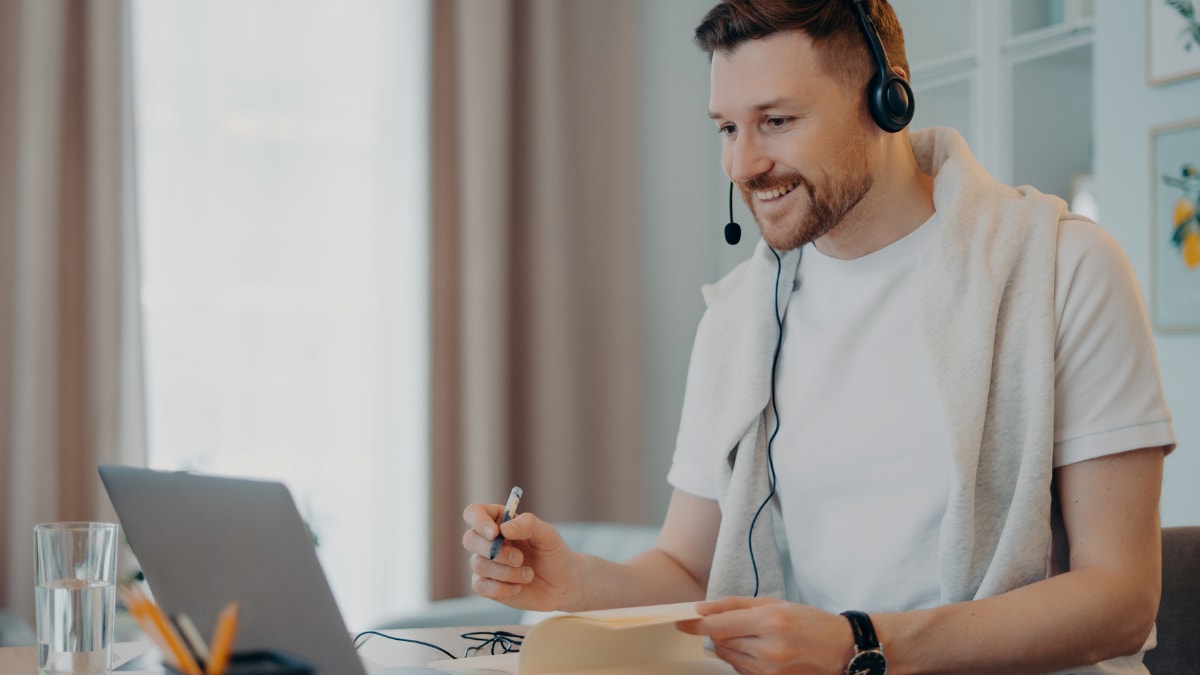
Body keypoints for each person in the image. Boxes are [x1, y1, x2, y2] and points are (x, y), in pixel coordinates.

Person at [462, 1, 1176, 673]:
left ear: (884, 102)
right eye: (727, 127)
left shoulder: (1063, 267)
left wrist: (861, 645)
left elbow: (1119, 596)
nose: (742, 165)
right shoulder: (736, 320)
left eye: (775, 120)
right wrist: (574, 577)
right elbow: (686, 567)